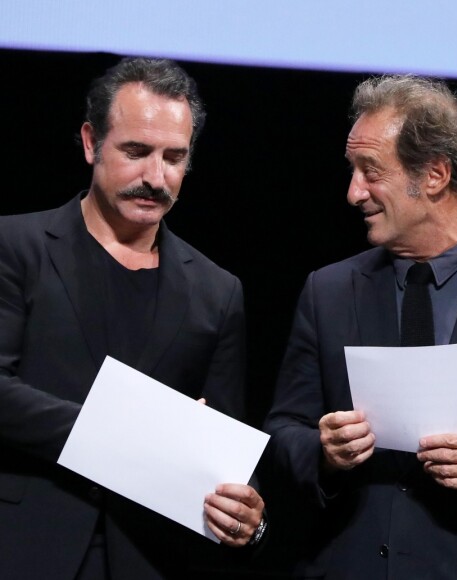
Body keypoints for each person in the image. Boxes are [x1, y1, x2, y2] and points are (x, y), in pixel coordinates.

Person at [264, 75, 457, 579]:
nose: (353, 192)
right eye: (353, 171)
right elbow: (281, 433)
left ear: (434, 174)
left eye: (371, 171)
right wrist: (322, 452)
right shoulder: (327, 291)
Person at [0, 57, 265, 579]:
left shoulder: (217, 291)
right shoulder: (14, 247)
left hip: (150, 557)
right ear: (89, 142)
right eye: (136, 152)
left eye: (174, 157)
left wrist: (250, 517)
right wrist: (126, 437)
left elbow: (226, 449)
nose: (155, 177)